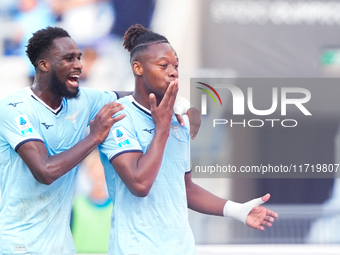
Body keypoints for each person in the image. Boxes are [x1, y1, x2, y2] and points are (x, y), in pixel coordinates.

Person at [0, 26, 198, 255]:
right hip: (19, 245)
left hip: (62, 246)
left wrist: (182, 104)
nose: (79, 65)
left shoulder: (83, 100)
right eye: (68, 58)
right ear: (43, 65)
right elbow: (44, 171)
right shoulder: (14, 108)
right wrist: (95, 137)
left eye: (79, 57)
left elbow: (133, 96)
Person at [98, 24, 279, 255]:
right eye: (163, 65)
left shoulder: (179, 120)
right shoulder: (119, 117)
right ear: (138, 68)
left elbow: (185, 188)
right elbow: (139, 184)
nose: (173, 72)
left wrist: (237, 210)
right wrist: (161, 129)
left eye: (176, 66)